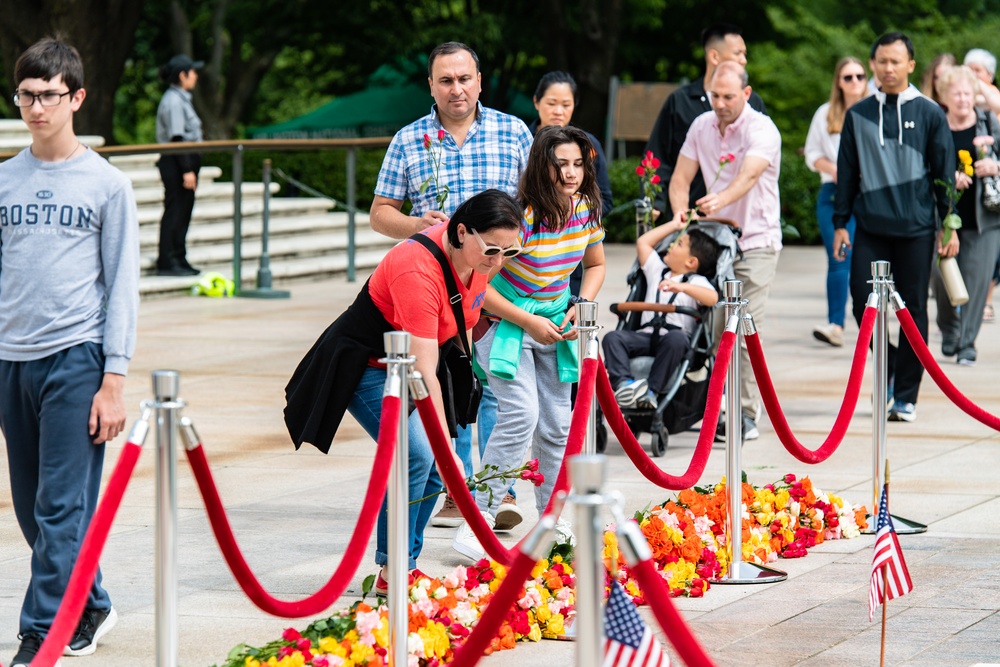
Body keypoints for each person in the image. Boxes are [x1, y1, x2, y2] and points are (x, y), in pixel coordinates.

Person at [284, 190, 523, 595]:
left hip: (410, 363)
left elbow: (465, 316)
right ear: (462, 232)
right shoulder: (417, 269)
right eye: (493, 250)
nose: (498, 263)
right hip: (368, 367)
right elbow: (423, 368)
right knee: (417, 454)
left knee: (431, 468)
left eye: (510, 253)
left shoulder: (479, 255)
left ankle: (400, 567)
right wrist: (449, 451)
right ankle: (393, 568)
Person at [0, 38, 139, 666]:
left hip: (75, 358)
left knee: (61, 505)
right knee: (35, 510)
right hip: (11, 358)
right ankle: (92, 602)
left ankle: (42, 633)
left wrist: (114, 377)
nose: (36, 107)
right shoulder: (3, 180)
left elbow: (123, 287)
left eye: (49, 95)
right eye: (26, 95)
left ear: (76, 97)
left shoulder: (107, 185)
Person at [369, 41, 533, 530]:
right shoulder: (409, 139)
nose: (456, 89)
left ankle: (492, 489)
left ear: (479, 81)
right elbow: (380, 213)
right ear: (432, 87)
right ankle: (450, 488)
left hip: (498, 279)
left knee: (500, 388)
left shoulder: (514, 132)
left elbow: (535, 207)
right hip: (434, 285)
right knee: (449, 380)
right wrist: (419, 224)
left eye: (464, 79)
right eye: (446, 80)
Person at [452, 125, 606, 561]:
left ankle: (552, 524)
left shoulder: (586, 210)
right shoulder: (521, 216)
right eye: (561, 165)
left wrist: (582, 303)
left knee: (558, 425)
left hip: (557, 323)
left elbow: (595, 265)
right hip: (505, 323)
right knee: (521, 413)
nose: (572, 173)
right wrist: (528, 320)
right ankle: (476, 520)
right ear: (542, 167)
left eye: (579, 163)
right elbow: (482, 285)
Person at [833, 32, 955, 423]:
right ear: (873, 64)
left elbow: (944, 174)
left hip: (918, 228)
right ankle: (889, 367)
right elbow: (846, 173)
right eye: (882, 61)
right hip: (871, 226)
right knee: (859, 302)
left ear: (911, 65)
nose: (888, 68)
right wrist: (840, 224)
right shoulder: (858, 114)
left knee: (913, 310)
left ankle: (905, 395)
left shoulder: (930, 113)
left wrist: (947, 226)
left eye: (896, 61)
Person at [667, 61, 782, 442]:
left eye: (728, 96)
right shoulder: (701, 124)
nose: (720, 103)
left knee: (745, 329)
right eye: (715, 95)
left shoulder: (761, 128)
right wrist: (680, 211)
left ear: (746, 94)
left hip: (755, 242)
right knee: (713, 330)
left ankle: (746, 414)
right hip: (714, 242)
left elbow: (748, 176)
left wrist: (720, 199)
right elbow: (681, 177)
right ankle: (714, 409)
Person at [644, 22, 767, 219]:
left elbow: (759, 164)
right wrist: (654, 201)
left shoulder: (753, 103)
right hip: (686, 213)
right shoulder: (680, 101)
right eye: (738, 53)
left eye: (745, 54)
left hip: (739, 218)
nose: (744, 60)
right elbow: (658, 156)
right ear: (714, 56)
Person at [602, 222, 720, 408]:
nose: (671, 245)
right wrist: (675, 225)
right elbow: (643, 242)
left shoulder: (697, 281)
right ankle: (625, 385)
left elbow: (712, 298)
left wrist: (683, 287)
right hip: (645, 336)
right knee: (613, 338)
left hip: (672, 341)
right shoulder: (658, 271)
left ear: (691, 262)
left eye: (679, 244)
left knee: (677, 339)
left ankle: (651, 391)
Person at [930, 66, 1000, 366]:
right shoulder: (935, 125)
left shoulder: (988, 123)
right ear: (945, 96)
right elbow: (924, 166)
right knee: (941, 278)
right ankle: (949, 328)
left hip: (985, 217)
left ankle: (967, 343)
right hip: (943, 217)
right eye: (956, 93)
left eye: (967, 93)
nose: (962, 99)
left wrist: (995, 167)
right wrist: (947, 177)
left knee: (977, 280)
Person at [805, 57, 869, 347]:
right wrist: (834, 168)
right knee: (839, 256)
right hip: (834, 194)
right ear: (838, 82)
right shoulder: (825, 113)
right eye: (848, 77)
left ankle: (868, 324)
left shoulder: (876, 110)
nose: (854, 82)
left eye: (859, 76)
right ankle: (835, 324)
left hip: (867, 197)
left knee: (866, 263)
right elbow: (811, 154)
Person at [530, 70, 613, 298]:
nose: (559, 111)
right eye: (552, 103)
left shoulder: (588, 145)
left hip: (571, 257)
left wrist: (575, 217)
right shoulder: (523, 139)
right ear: (537, 102)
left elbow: (604, 198)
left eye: (566, 104)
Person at [155, 54, 204, 276]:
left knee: (184, 212)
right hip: (177, 162)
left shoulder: (181, 98)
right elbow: (177, 138)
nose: (195, 76)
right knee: (175, 212)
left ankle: (179, 257)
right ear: (182, 75)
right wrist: (187, 170)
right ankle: (168, 260)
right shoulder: (173, 101)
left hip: (183, 161)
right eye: (192, 72)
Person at [964, 48, 1000, 115]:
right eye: (970, 69)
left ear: (990, 75)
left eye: (977, 70)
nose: (973, 74)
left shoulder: (993, 92)